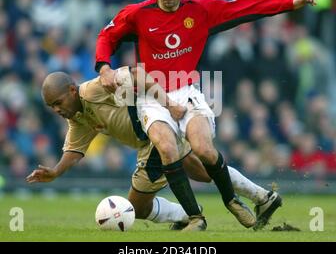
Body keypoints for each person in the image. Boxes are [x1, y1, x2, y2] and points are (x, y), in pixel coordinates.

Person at [95, 0, 315, 230]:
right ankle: (196, 218)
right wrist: (104, 67)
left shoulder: (201, 11)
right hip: (151, 97)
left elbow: (245, 6)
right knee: (167, 148)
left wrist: (289, 2)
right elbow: (107, 35)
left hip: (187, 91)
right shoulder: (138, 13)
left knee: (203, 151)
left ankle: (232, 201)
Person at [26, 70, 280, 230]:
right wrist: (56, 172)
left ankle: (189, 217)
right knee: (203, 172)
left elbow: (137, 74)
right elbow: (74, 150)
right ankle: (264, 198)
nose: (57, 110)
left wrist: (167, 105)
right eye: (52, 107)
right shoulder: (78, 118)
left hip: (156, 135)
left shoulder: (93, 90)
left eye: (58, 102)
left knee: (136, 207)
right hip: (152, 140)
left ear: (72, 91)